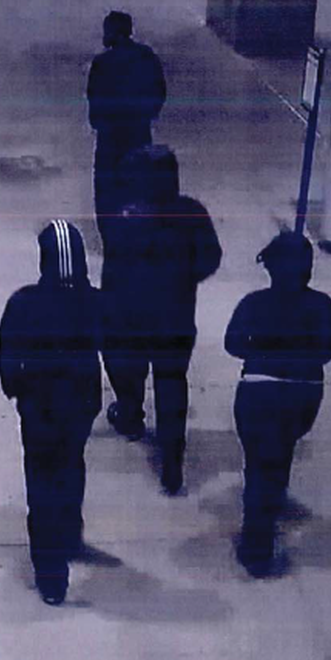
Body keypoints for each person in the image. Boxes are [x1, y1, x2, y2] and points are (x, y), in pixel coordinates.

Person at [101, 145, 221, 494]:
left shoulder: (126, 218)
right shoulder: (192, 213)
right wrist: (185, 278)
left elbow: (114, 268)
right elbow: (210, 257)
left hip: (132, 317)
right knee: (172, 383)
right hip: (176, 317)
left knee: (129, 371)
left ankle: (131, 415)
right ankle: (172, 461)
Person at [0, 220, 103, 606]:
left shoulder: (23, 303)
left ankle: (51, 574)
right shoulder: (92, 302)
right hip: (79, 406)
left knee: (41, 483)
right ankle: (71, 532)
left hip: (39, 410)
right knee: (72, 465)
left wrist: (18, 391)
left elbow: (7, 357)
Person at [224, 232, 331, 578]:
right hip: (302, 394)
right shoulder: (321, 305)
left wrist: (262, 351)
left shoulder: (253, 303)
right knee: (282, 449)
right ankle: (274, 498)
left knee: (257, 462)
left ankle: (255, 541)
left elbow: (232, 344)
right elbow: (327, 351)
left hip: (258, 389)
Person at [87, 11, 167, 246]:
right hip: (138, 131)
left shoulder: (102, 63)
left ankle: (111, 237)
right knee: (138, 183)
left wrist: (99, 122)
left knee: (106, 188)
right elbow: (159, 91)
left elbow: (94, 97)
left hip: (110, 135)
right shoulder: (147, 57)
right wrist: (148, 115)